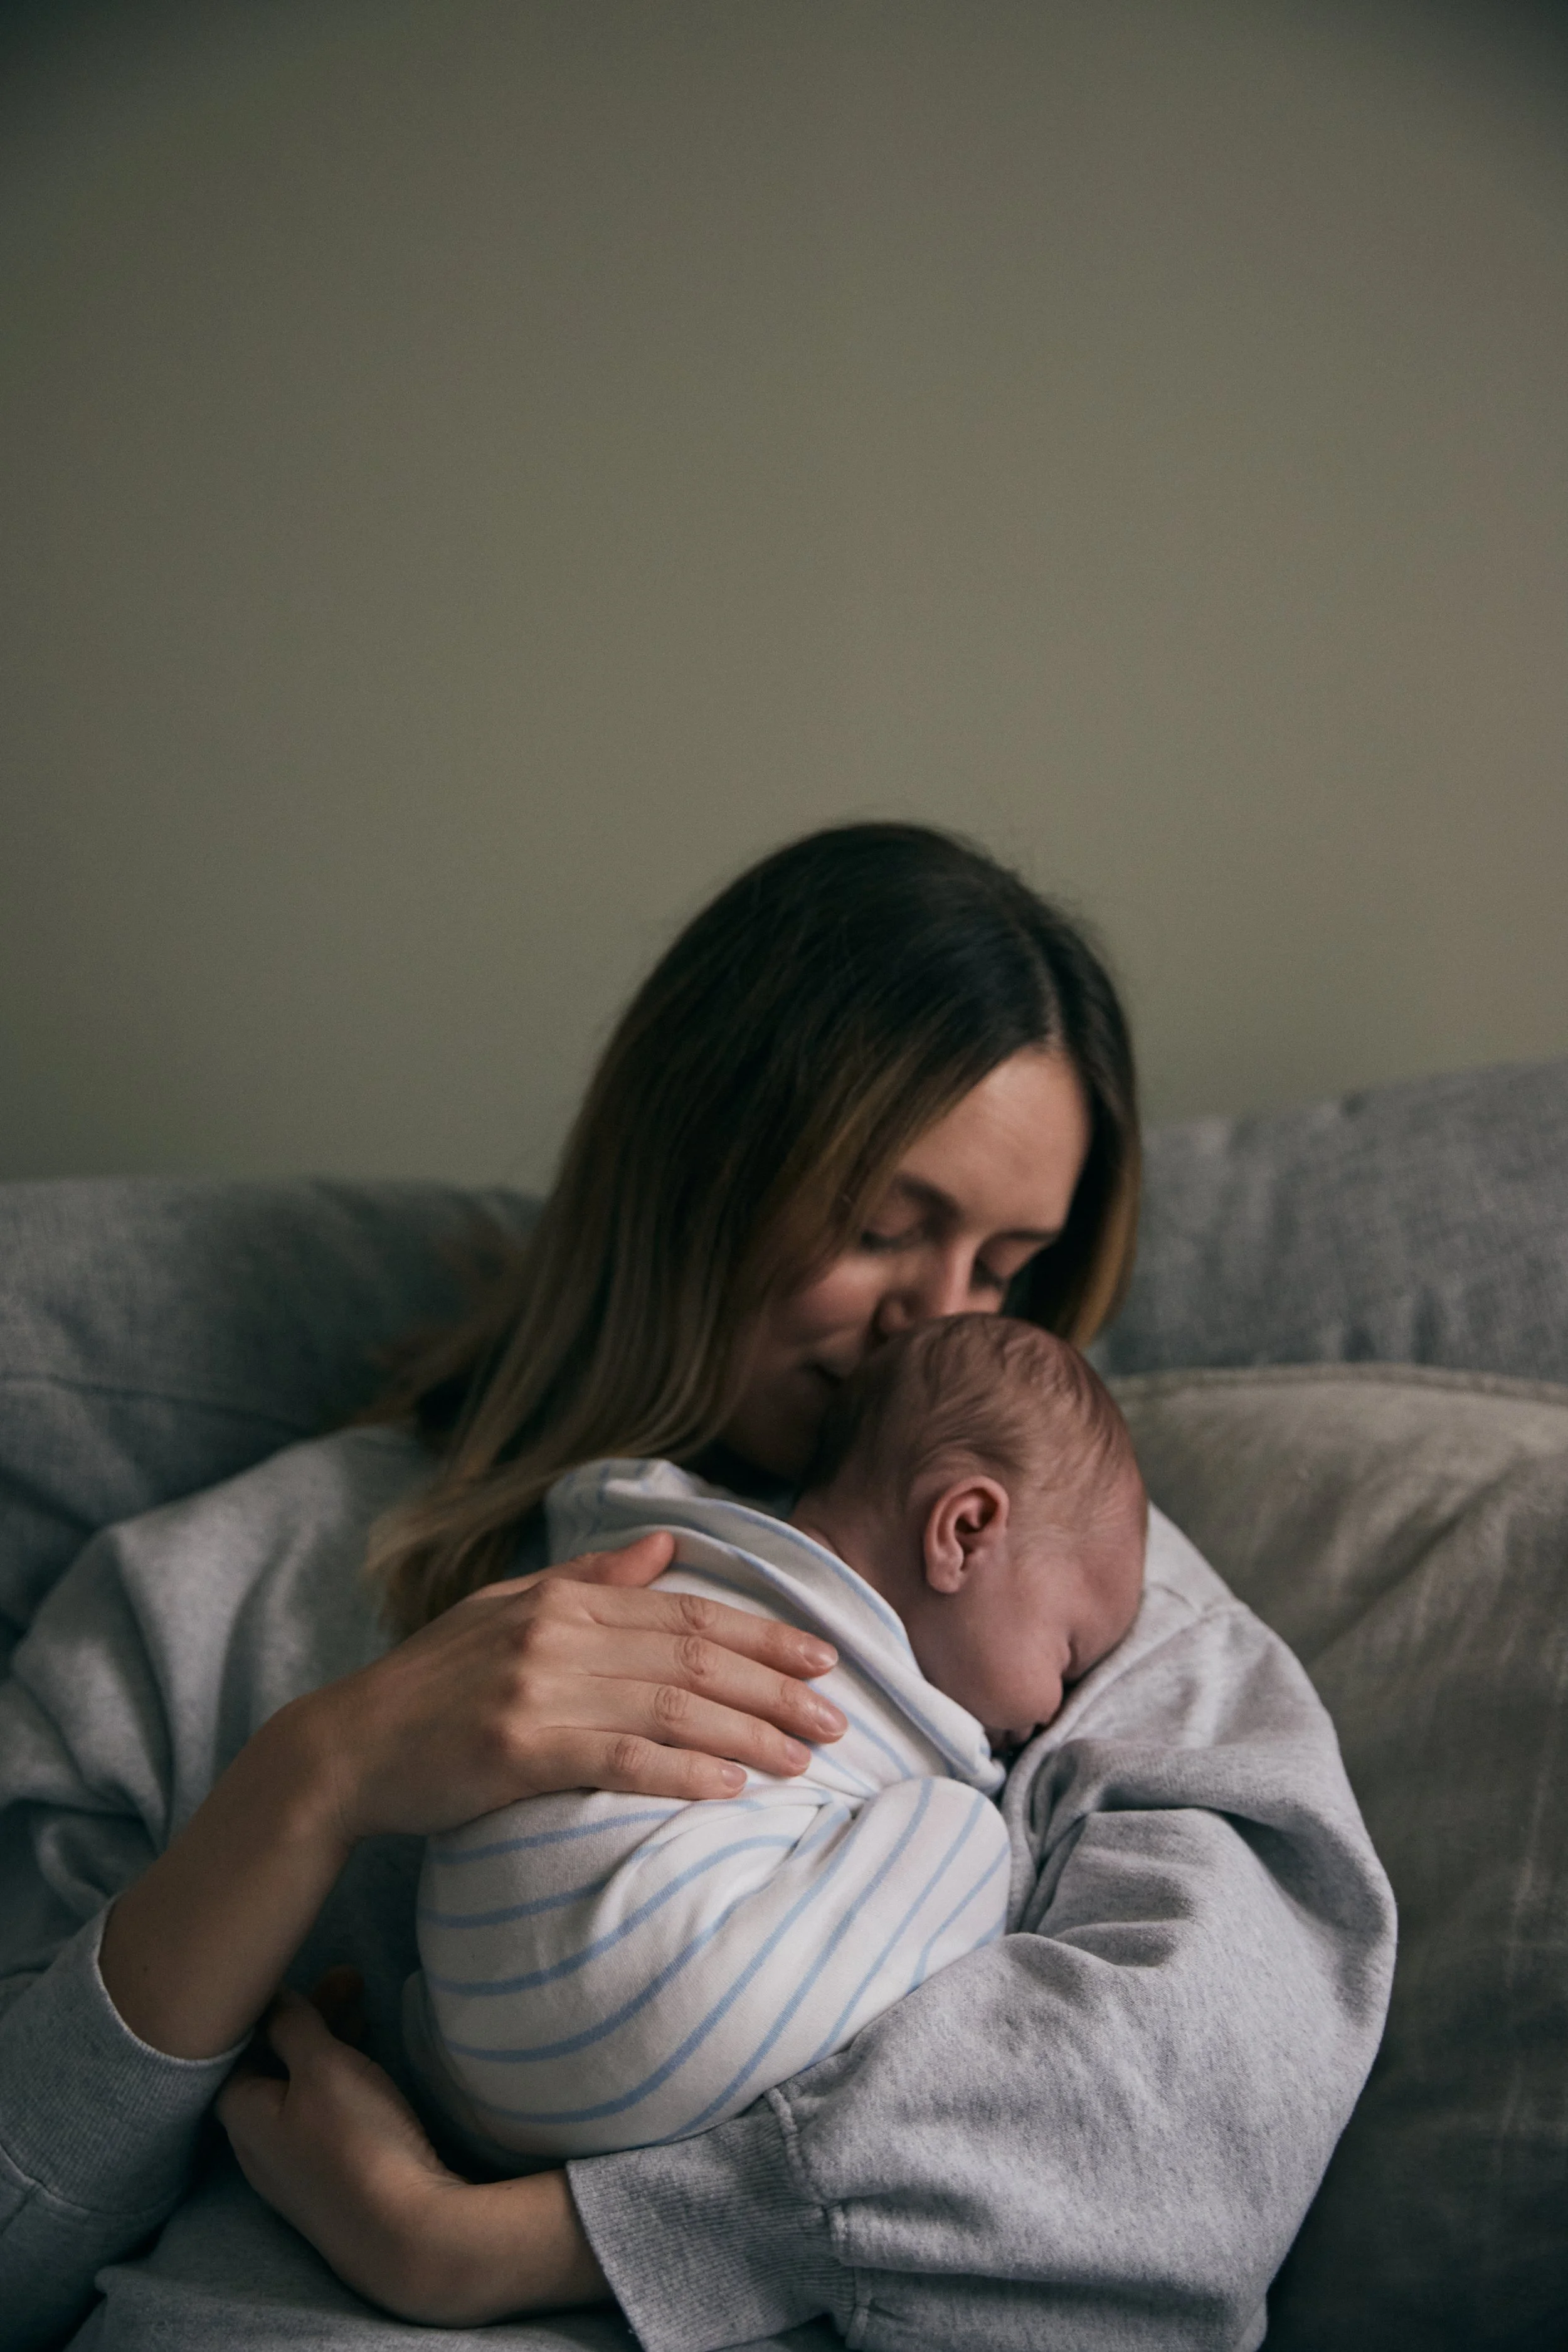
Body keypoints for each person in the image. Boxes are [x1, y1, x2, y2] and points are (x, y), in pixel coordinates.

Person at [0, 822, 1396, 2352]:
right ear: (690, 1171)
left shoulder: (1059, 1586)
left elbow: (1194, 2119)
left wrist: (496, 2246)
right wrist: (310, 1780)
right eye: (881, 1230)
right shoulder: (204, 1597)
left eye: (1003, 1270)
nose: (931, 1323)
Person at [408, 1316, 1147, 2166]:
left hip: (466, 2044)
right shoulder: (890, 1698)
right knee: (969, 1838)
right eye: (1071, 1652)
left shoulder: (660, 1537)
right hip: (649, 2025)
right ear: (964, 1530)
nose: (1060, 1713)